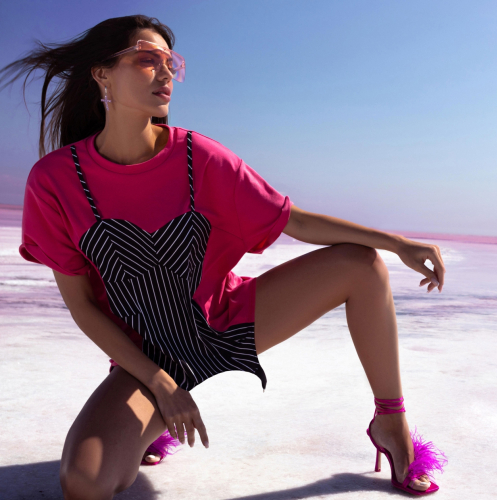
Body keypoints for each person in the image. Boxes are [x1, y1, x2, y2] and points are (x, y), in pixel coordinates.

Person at [1, 14, 447, 499]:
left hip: (225, 322)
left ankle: (391, 424)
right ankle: (150, 422)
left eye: (172, 63)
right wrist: (162, 385)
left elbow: (294, 220)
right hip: (146, 356)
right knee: (84, 482)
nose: (166, 73)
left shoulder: (198, 156)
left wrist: (397, 243)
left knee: (362, 265)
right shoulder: (56, 181)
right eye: (147, 59)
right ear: (102, 73)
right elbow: (83, 307)